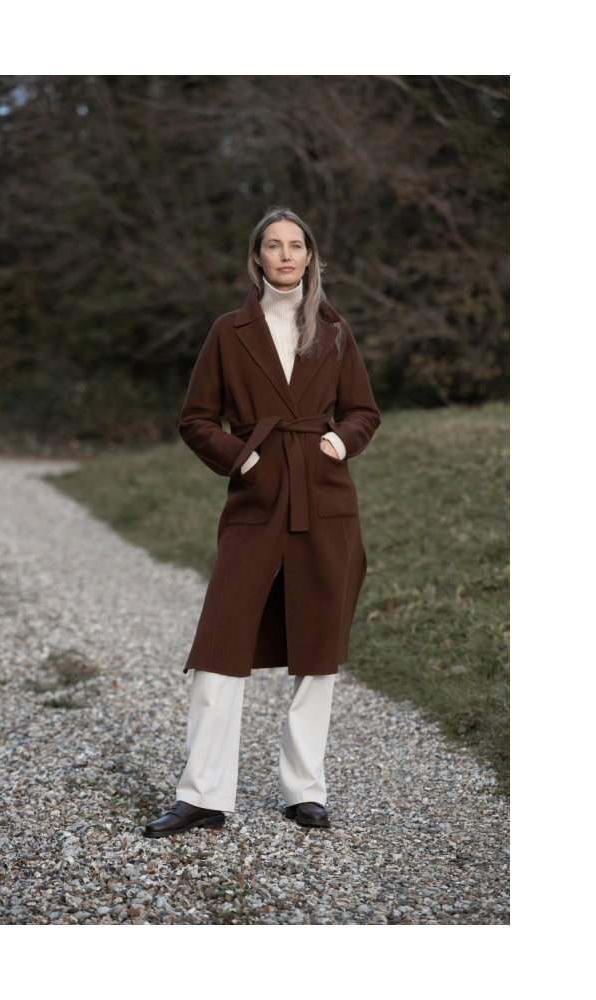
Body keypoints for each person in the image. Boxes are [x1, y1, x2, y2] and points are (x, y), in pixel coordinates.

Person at [144, 207, 381, 838]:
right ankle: (203, 795)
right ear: (257, 257)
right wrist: (241, 458)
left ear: (310, 256)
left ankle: (305, 790)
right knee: (221, 642)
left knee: (317, 650)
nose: (285, 255)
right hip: (255, 498)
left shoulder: (334, 330)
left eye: (295, 245)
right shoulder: (229, 331)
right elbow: (196, 419)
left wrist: (338, 443)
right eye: (273, 245)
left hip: (325, 498)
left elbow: (363, 411)